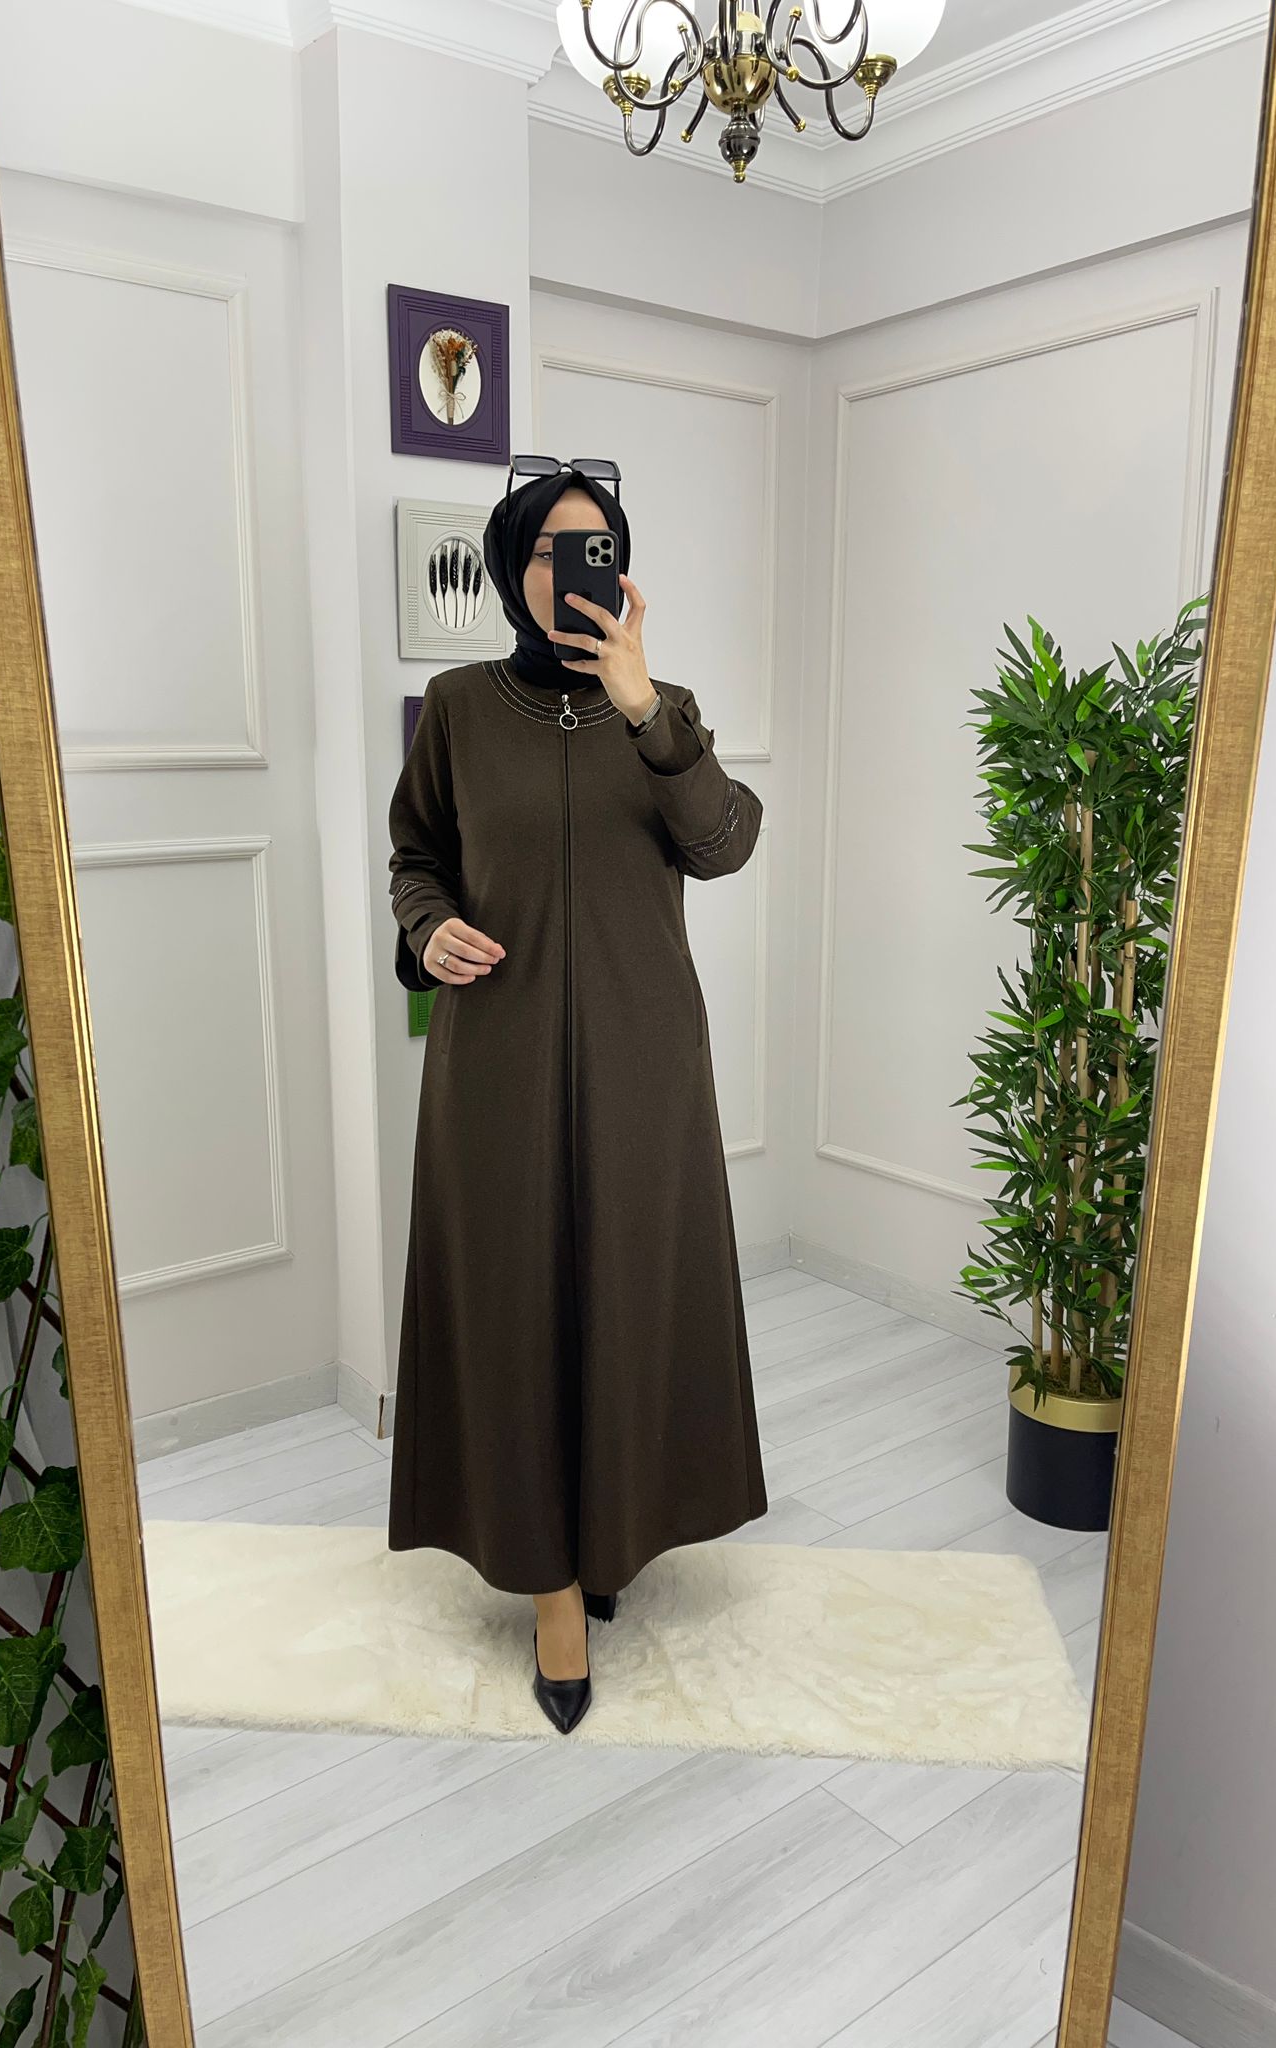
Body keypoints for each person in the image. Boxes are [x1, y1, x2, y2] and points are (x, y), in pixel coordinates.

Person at [385, 456, 768, 1735]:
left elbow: (724, 842)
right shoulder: (457, 706)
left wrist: (644, 706)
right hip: (493, 1060)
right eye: (551, 548)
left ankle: (608, 1533)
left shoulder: (667, 710)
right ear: (512, 567)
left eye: (596, 545)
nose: (574, 568)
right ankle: (551, 1585)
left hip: (643, 1060)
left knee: (624, 1296)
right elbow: (416, 855)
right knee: (514, 1308)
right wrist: (427, 927)